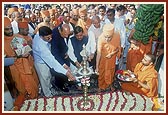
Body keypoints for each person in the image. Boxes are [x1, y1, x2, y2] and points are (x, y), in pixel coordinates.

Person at [4, 17, 39, 110]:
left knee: (33, 87)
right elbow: (5, 60)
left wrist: (27, 52)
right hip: (14, 68)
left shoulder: (18, 37)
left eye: (10, 27)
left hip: (27, 65)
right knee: (22, 89)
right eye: (7, 29)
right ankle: (28, 107)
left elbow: (26, 50)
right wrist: (19, 56)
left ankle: (35, 104)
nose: (10, 30)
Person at [32, 26, 76, 96]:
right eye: (48, 38)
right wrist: (66, 73)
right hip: (41, 63)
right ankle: (47, 95)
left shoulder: (40, 34)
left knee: (49, 76)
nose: (51, 39)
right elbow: (53, 63)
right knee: (44, 79)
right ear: (41, 37)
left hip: (47, 58)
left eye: (51, 36)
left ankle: (50, 88)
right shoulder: (41, 47)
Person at [96, 24, 121, 92]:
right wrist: (97, 67)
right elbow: (98, 53)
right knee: (102, 73)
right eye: (106, 37)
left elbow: (118, 49)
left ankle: (110, 84)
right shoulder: (101, 38)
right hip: (103, 59)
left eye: (109, 37)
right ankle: (101, 86)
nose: (107, 39)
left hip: (111, 59)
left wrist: (112, 54)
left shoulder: (117, 36)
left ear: (112, 35)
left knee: (111, 72)